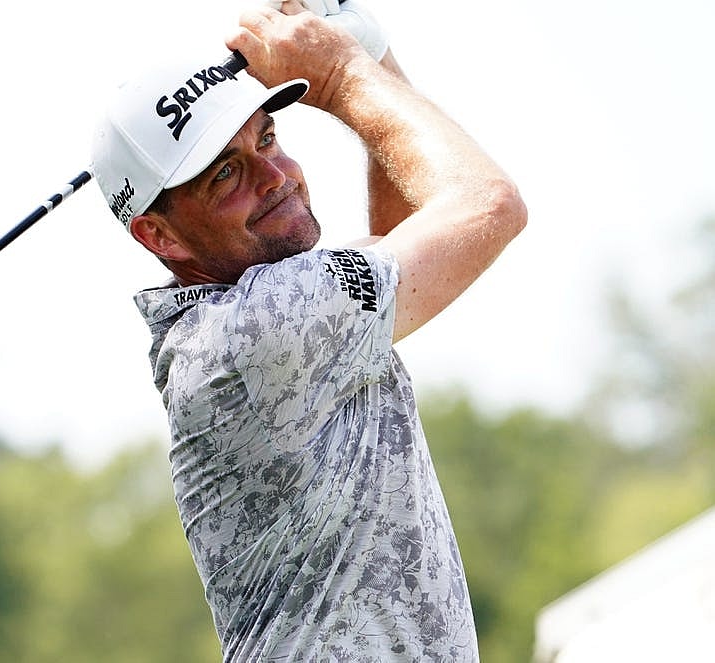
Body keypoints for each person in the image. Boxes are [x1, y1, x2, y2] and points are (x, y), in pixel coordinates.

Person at [89, 1, 526, 660]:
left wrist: (368, 50)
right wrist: (343, 73)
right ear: (159, 235)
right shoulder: (256, 332)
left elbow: (402, 240)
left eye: (266, 139)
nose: (277, 177)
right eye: (226, 174)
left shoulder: (263, 323)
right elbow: (487, 204)